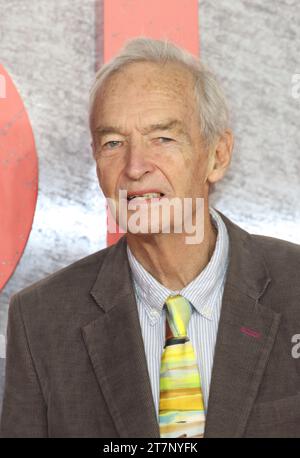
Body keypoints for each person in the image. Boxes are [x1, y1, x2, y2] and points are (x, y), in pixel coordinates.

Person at [1, 37, 300, 438]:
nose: (135, 166)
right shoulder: (40, 319)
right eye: (113, 143)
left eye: (163, 138)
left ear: (217, 155)